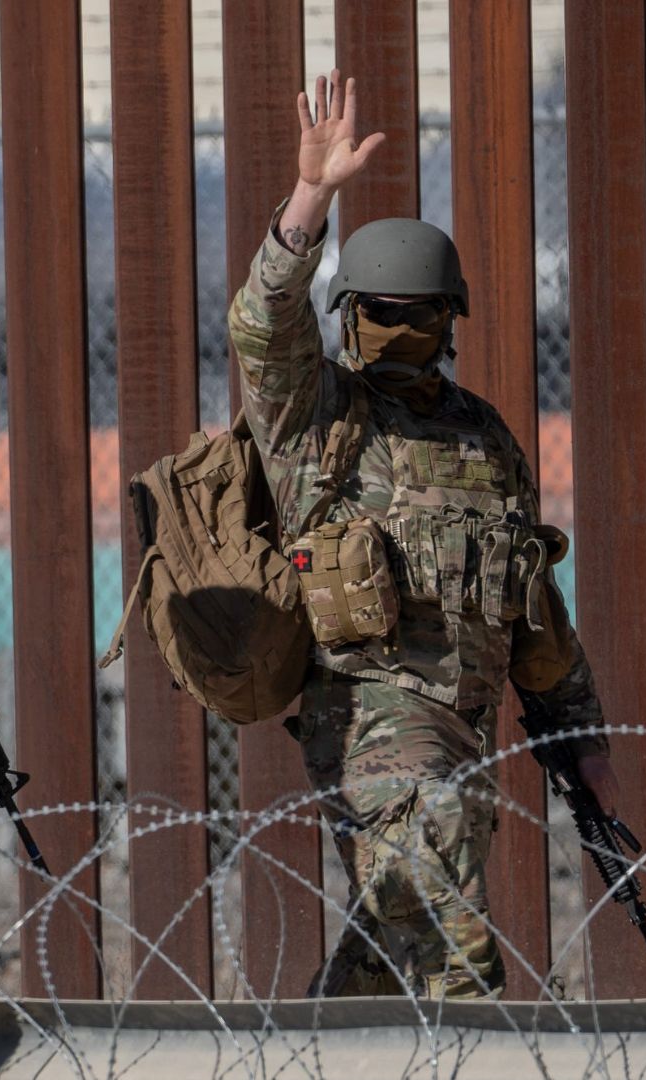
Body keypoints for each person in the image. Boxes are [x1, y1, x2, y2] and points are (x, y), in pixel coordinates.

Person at [230, 72, 621, 999]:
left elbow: (533, 606)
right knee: (450, 951)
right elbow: (261, 326)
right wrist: (312, 197)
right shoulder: (316, 413)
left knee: (380, 957)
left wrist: (584, 740)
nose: (402, 327)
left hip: (464, 725)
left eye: (419, 312)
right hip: (371, 719)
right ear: (349, 315)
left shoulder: (485, 436)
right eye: (382, 311)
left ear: (451, 317)